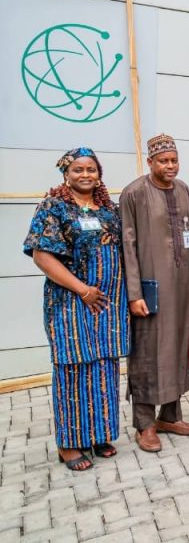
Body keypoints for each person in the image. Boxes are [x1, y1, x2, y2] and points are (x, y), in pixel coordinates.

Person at [24, 148, 130, 471]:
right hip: (70, 302)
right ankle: (69, 443)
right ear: (66, 174)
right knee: (73, 367)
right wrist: (82, 289)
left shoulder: (108, 209)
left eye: (91, 169)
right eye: (78, 170)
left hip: (107, 305)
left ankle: (98, 434)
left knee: (103, 367)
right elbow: (42, 256)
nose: (85, 175)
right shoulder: (53, 207)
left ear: (99, 173)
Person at [120, 134, 189, 453]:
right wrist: (134, 293)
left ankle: (170, 416)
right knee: (147, 351)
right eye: (163, 161)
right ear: (150, 162)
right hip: (150, 288)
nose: (170, 166)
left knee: (177, 348)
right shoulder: (134, 193)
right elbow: (127, 246)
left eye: (174, 160)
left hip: (182, 287)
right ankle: (144, 424)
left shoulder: (183, 190)